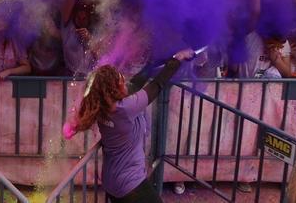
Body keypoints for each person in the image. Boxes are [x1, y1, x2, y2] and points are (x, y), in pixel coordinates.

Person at [65, 48, 197, 202]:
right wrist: (178, 59)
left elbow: (135, 83)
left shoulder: (101, 105)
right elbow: (157, 85)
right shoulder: (125, 108)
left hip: (111, 180)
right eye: (120, 79)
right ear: (113, 88)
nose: (123, 79)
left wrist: (156, 62)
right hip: (130, 184)